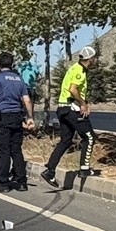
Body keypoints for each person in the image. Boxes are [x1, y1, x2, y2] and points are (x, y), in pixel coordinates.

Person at [41, 46, 98, 188]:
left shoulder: (74, 68)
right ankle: (84, 168)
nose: (95, 60)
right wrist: (83, 104)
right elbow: (73, 89)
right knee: (90, 137)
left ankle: (50, 170)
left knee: (65, 141)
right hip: (72, 108)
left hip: (62, 108)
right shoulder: (79, 71)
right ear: (90, 59)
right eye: (95, 58)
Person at [0, 52, 35, 193]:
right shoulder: (19, 79)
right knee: (16, 150)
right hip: (16, 117)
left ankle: (3, 183)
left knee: (3, 151)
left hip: (1, 118)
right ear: (12, 64)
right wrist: (29, 117)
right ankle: (21, 181)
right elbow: (27, 100)